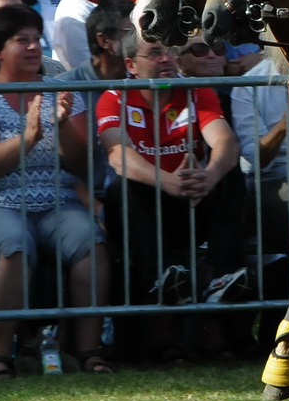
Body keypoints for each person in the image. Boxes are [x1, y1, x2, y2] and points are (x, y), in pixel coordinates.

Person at [0, 5, 110, 377]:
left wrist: (64, 126)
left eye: (36, 39)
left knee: (92, 242)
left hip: (58, 200)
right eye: (20, 40)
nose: (32, 47)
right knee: (13, 243)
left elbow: (81, 164)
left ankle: (89, 351)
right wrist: (27, 139)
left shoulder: (59, 92)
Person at [97, 32, 247, 322]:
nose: (166, 58)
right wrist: (167, 181)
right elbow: (117, 154)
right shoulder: (113, 97)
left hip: (190, 203)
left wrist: (210, 175)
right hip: (141, 210)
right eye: (153, 53)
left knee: (230, 173)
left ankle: (222, 274)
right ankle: (160, 274)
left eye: (169, 51)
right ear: (131, 65)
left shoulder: (195, 91)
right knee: (124, 184)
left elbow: (225, 142)